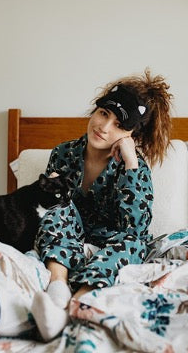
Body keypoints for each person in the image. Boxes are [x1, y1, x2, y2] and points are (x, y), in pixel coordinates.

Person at [30, 69, 173, 341]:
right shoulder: (63, 152)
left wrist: (130, 163)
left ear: (131, 134)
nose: (104, 127)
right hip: (70, 237)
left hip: (113, 243)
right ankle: (57, 289)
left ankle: (78, 303)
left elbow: (137, 227)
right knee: (53, 207)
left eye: (119, 124)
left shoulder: (135, 167)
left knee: (134, 242)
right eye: (104, 114)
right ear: (95, 110)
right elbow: (48, 204)